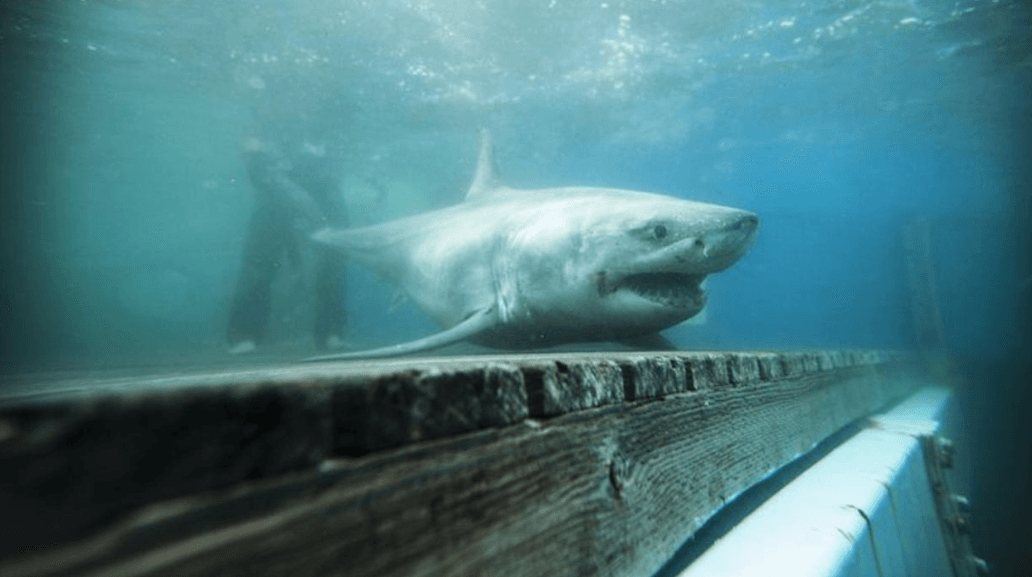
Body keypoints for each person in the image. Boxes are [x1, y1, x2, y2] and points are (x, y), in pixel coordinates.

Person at [227, 129, 349, 354]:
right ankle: (245, 334)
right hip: (275, 196)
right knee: (259, 263)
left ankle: (331, 331)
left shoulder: (323, 126)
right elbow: (253, 161)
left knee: (332, 260)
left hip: (320, 193)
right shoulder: (267, 123)